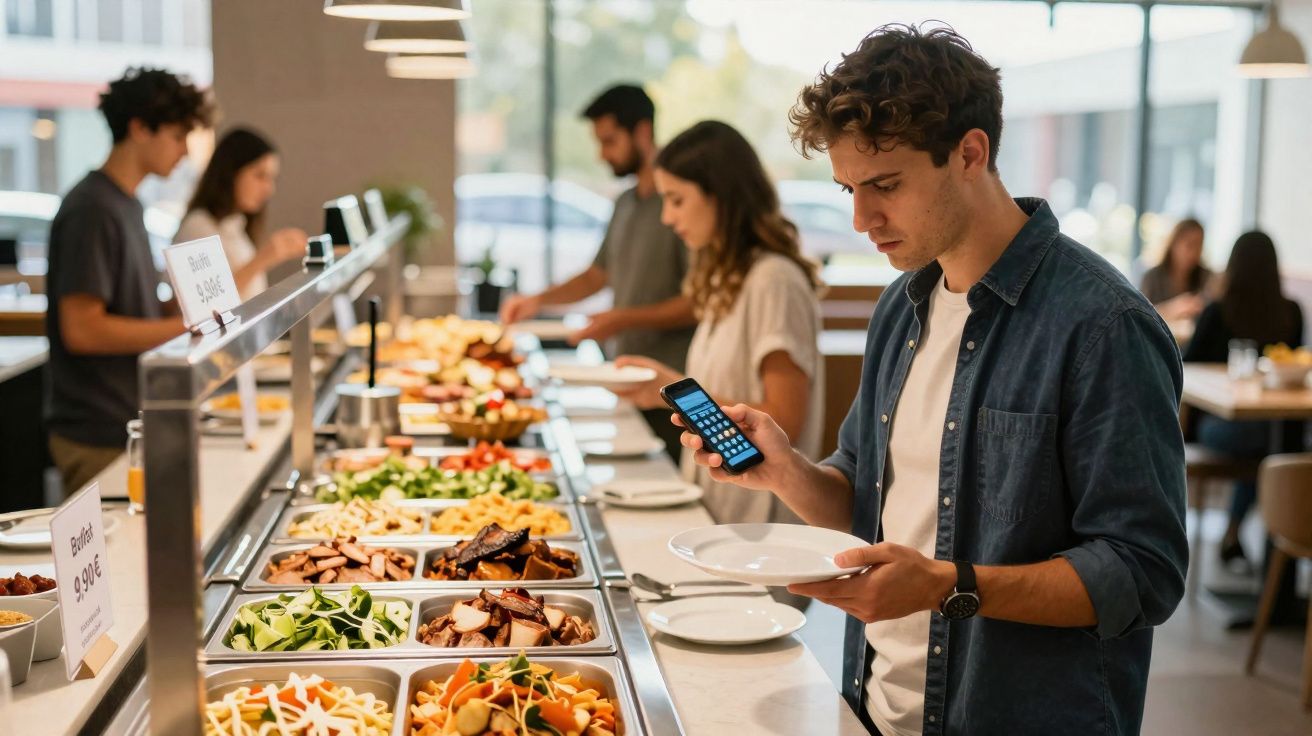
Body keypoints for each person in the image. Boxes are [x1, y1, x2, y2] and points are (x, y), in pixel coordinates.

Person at [680, 24, 1187, 735]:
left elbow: (1142, 572)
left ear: (970, 153)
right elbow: (867, 497)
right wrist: (785, 471)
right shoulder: (903, 305)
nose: (860, 218)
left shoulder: (1103, 326)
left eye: (884, 186)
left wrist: (951, 587)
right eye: (849, 188)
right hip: (880, 707)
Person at [609, 120, 825, 528]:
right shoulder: (729, 277)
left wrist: (669, 389)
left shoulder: (773, 280)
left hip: (761, 527)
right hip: (723, 513)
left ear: (721, 198)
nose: (668, 218)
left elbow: (786, 420)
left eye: (676, 200)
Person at [498, 84, 696, 458]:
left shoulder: (684, 211)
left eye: (609, 140)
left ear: (642, 132)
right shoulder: (624, 202)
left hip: (676, 389)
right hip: (627, 383)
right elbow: (596, 275)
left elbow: (699, 303)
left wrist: (622, 319)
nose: (602, 153)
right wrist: (536, 301)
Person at [45, 67, 212, 495]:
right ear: (139, 128)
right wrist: (182, 328)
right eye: (177, 136)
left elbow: (135, 309)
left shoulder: (128, 205)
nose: (183, 152)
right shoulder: (92, 209)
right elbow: (83, 330)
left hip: (126, 418)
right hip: (96, 428)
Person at [1183, 231, 1303, 568]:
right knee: (1281, 445)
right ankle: (1260, 552)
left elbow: (1184, 366)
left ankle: (1245, 540)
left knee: (1275, 446)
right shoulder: (1289, 312)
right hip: (1229, 425)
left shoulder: (1218, 310)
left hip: (1225, 425)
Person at [174, 127, 308, 299]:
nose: (269, 189)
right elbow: (207, 303)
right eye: (260, 176)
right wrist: (263, 259)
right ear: (231, 173)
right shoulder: (198, 226)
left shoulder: (237, 226)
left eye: (271, 179)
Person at [1140, 217, 1212, 322]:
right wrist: (1175, 308)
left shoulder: (1206, 277)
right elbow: (1141, 316)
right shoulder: (1152, 277)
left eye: (1199, 245)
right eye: (1189, 245)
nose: (1194, 252)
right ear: (1174, 244)